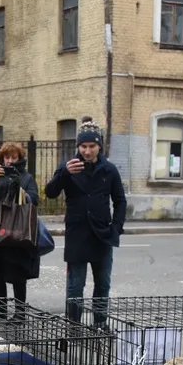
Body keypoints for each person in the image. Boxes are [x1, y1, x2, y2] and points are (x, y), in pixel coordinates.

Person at [44, 120, 127, 329]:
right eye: (83, 146)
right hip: (77, 236)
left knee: (103, 284)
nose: (87, 151)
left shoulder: (109, 170)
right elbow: (50, 193)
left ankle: (100, 324)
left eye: (91, 146)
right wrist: (64, 174)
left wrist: (116, 228)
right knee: (75, 287)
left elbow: (120, 200)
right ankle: (74, 326)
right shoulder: (68, 166)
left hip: (102, 236)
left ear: (99, 146)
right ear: (78, 147)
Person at [0, 142, 40, 320]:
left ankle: (20, 312)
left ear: (20, 158)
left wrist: (19, 186)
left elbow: (33, 199)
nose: (9, 161)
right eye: (6, 157)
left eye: (13, 157)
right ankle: (1, 308)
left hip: (17, 229)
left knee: (17, 269)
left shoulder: (27, 178)